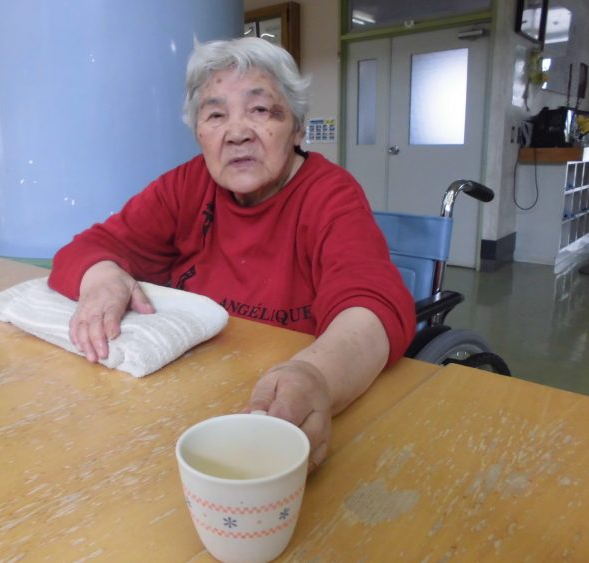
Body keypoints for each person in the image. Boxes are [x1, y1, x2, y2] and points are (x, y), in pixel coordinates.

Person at [48, 37, 416, 472]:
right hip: (183, 407)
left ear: (297, 128)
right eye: (216, 115)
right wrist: (104, 277)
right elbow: (85, 249)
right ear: (199, 133)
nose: (237, 132)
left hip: (280, 410)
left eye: (260, 110)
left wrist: (316, 376)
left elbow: (372, 305)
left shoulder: (329, 195)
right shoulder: (186, 186)